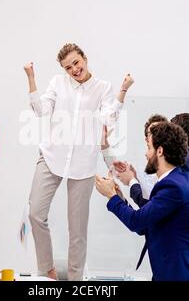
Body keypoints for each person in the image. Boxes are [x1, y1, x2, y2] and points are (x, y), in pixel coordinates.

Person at [23, 43, 134, 280]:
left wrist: (123, 90)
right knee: (35, 214)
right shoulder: (57, 83)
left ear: (84, 57)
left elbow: (108, 118)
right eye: (68, 67)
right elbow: (41, 110)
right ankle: (47, 270)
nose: (74, 69)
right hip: (52, 156)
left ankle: (75, 280)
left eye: (76, 62)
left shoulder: (103, 88)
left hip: (83, 164)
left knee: (77, 230)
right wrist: (31, 78)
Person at [95, 122, 189, 281]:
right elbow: (145, 222)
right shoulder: (176, 179)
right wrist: (120, 197)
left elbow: (137, 222)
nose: (146, 154)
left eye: (148, 147)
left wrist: (111, 196)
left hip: (185, 274)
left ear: (160, 151)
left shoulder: (174, 186)